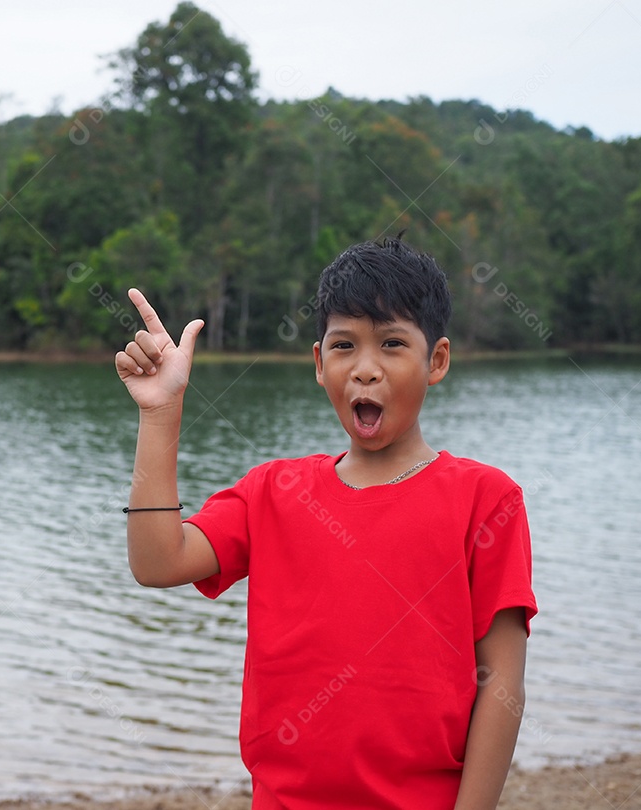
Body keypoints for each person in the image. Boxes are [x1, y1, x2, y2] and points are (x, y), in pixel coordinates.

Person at [114, 237, 538, 809]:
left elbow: (501, 684)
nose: (365, 369)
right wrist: (161, 414)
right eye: (345, 346)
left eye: (392, 344)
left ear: (436, 360)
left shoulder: (486, 499)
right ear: (319, 363)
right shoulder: (272, 491)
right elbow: (157, 562)